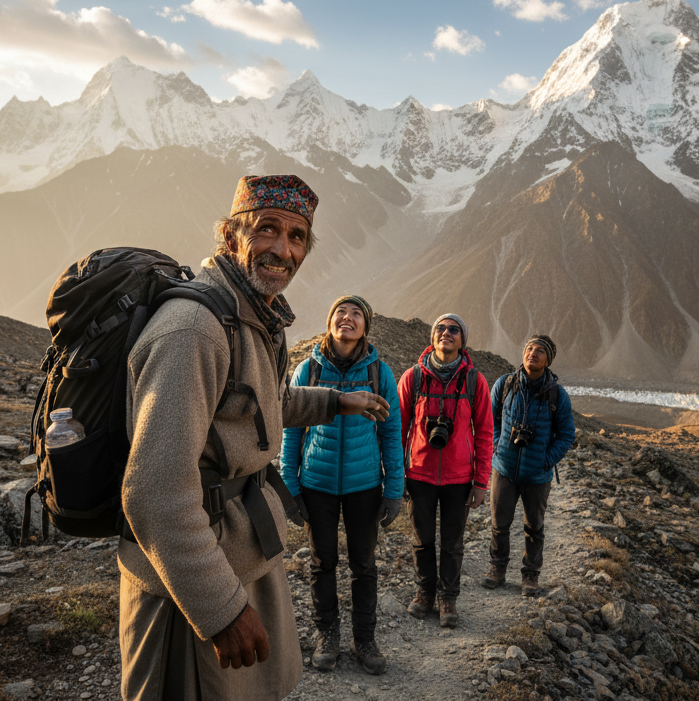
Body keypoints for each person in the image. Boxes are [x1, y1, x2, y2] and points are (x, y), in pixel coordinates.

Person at [118, 175, 391, 701]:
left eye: (297, 238)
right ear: (229, 238)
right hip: (190, 586)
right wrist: (220, 610)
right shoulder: (194, 331)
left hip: (236, 552)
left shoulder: (252, 317)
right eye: (267, 230)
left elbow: (259, 407)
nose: (282, 250)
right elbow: (154, 493)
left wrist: (336, 401)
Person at [281, 294, 403, 675]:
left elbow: (392, 432)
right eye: (340, 312)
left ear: (366, 326)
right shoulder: (308, 370)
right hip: (316, 483)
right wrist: (289, 485)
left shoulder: (379, 373)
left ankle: (364, 638)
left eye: (356, 314)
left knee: (364, 565)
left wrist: (394, 489)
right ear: (330, 321)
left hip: (364, 484)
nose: (346, 318)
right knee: (322, 562)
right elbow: (291, 430)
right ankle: (327, 635)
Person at [398, 313, 492, 629]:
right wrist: (397, 475)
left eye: (454, 330)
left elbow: (485, 432)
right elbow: (396, 427)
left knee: (452, 542)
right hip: (419, 474)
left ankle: (448, 598)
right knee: (422, 539)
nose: (446, 333)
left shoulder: (474, 381)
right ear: (432, 337)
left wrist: (481, 481)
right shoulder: (413, 377)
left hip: (459, 477)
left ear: (462, 340)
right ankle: (425, 592)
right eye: (440, 328)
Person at [483, 334, 575, 598]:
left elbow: (567, 434)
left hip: (538, 475)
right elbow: (491, 421)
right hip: (504, 469)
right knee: (499, 524)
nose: (532, 353)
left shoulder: (557, 395)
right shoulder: (505, 384)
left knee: (534, 526)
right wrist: (498, 446)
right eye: (529, 348)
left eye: (540, 351)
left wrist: (546, 460)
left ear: (548, 361)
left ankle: (530, 575)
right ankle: (497, 569)